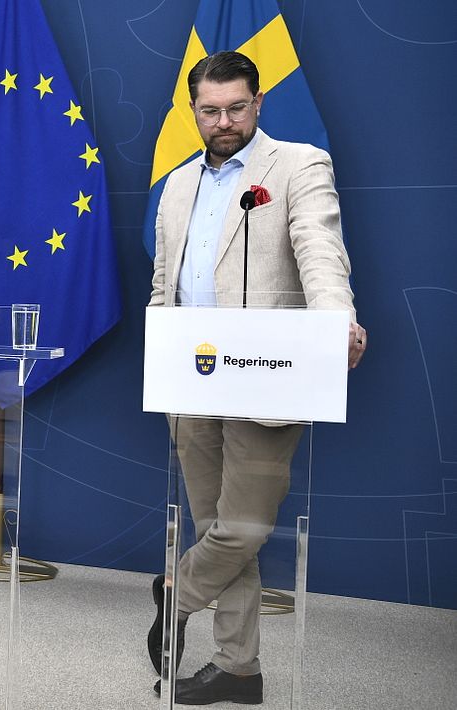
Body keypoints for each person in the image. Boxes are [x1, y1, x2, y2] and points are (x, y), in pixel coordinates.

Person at [148, 51, 367, 704]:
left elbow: (321, 253)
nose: (224, 122)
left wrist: (338, 321)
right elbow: (164, 285)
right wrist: (160, 361)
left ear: (258, 102)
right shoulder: (176, 185)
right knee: (213, 522)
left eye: (236, 108)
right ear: (193, 111)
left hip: (269, 374)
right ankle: (238, 668)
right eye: (210, 111)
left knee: (242, 528)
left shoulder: (299, 165)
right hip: (190, 377)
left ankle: (176, 591)